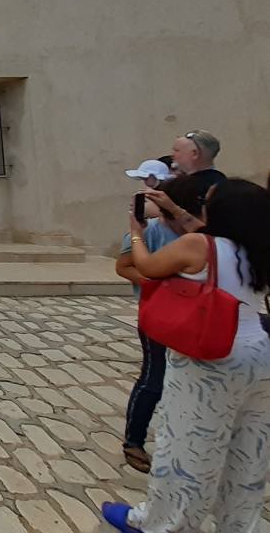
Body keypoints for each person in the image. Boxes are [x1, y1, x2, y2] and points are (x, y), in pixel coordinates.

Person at [102, 179, 270, 533]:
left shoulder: (198, 246)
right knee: (249, 449)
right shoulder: (259, 249)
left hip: (212, 354)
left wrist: (136, 234)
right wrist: (175, 209)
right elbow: (204, 230)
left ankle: (162, 523)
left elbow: (147, 266)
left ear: (222, 211)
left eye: (205, 201)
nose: (201, 207)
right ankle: (241, 525)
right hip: (259, 351)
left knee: (188, 445)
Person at [114, 174, 204, 473]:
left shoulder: (201, 234)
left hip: (197, 316)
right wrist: (159, 286)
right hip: (160, 314)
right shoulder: (149, 232)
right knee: (154, 377)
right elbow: (124, 266)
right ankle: (134, 440)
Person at [171, 129, 226, 204]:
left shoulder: (191, 187)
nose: (172, 155)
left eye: (176, 150)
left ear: (195, 154)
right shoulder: (222, 182)